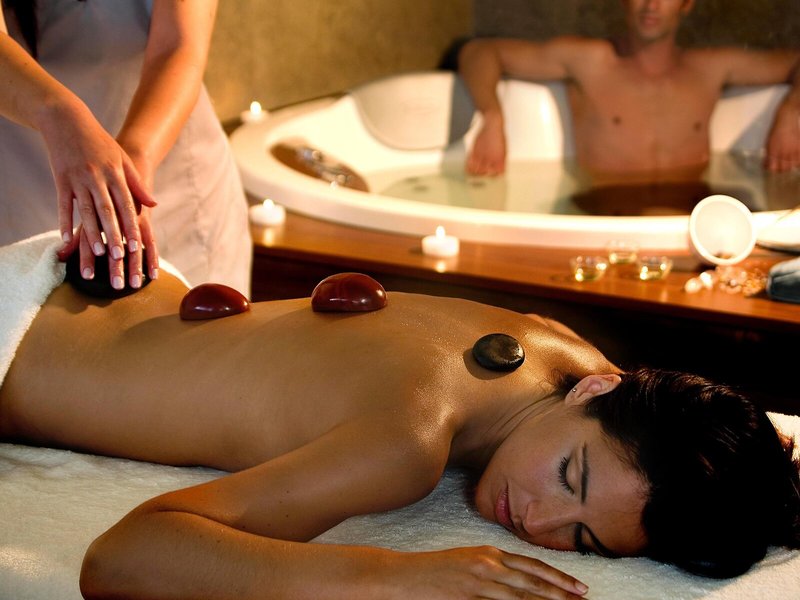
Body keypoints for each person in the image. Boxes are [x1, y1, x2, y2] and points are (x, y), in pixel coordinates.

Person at [0, 236, 798, 599]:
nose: (538, 519)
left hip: (101, 289)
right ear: (597, 392)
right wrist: (396, 576)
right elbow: (125, 557)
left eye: (583, 539)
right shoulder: (406, 445)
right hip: (17, 338)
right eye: (569, 476)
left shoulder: (570, 359)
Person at [0, 0, 252, 296]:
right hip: (23, 176)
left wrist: (133, 167)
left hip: (169, 167)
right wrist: (63, 118)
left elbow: (178, 46)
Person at [458, 0, 800, 179]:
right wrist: (492, 116)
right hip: (604, 215)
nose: (651, 4)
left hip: (692, 216)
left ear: (686, 3)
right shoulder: (589, 61)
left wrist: (791, 112)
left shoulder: (709, 67)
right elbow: (480, 52)